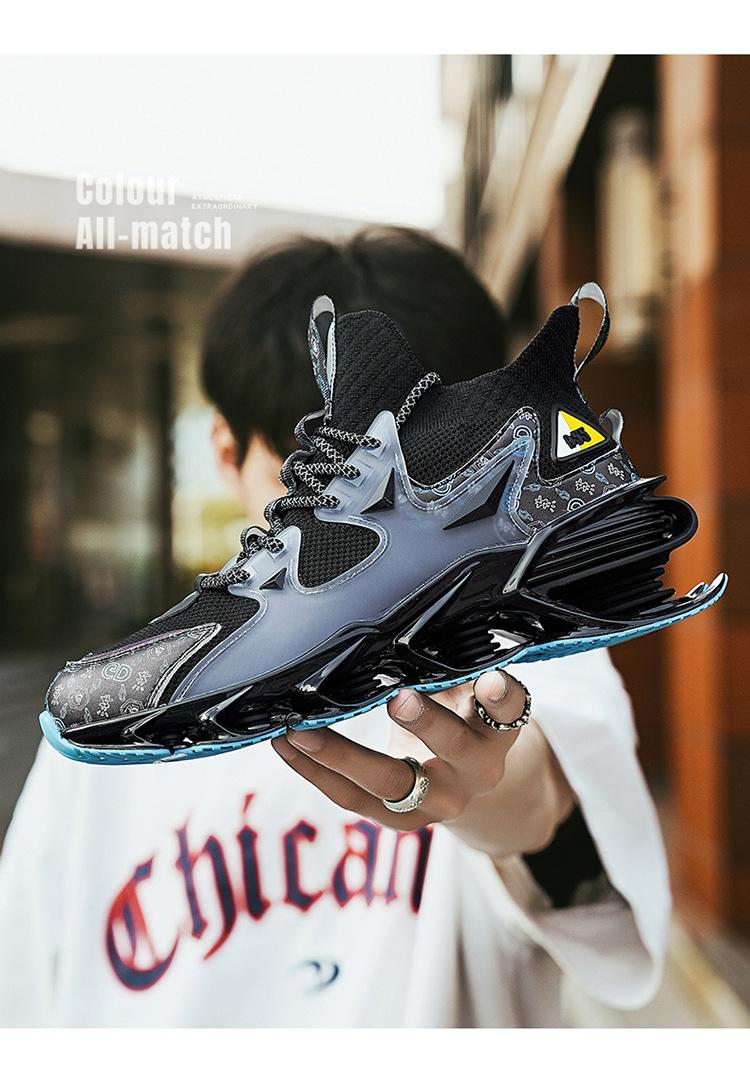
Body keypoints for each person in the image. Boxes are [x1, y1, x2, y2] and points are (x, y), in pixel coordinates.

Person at [0, 227, 670, 1027]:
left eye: (359, 490)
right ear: (226, 452)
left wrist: (504, 795)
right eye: (314, 483)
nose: (321, 527)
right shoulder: (116, 711)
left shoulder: (535, 659)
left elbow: (591, 884)